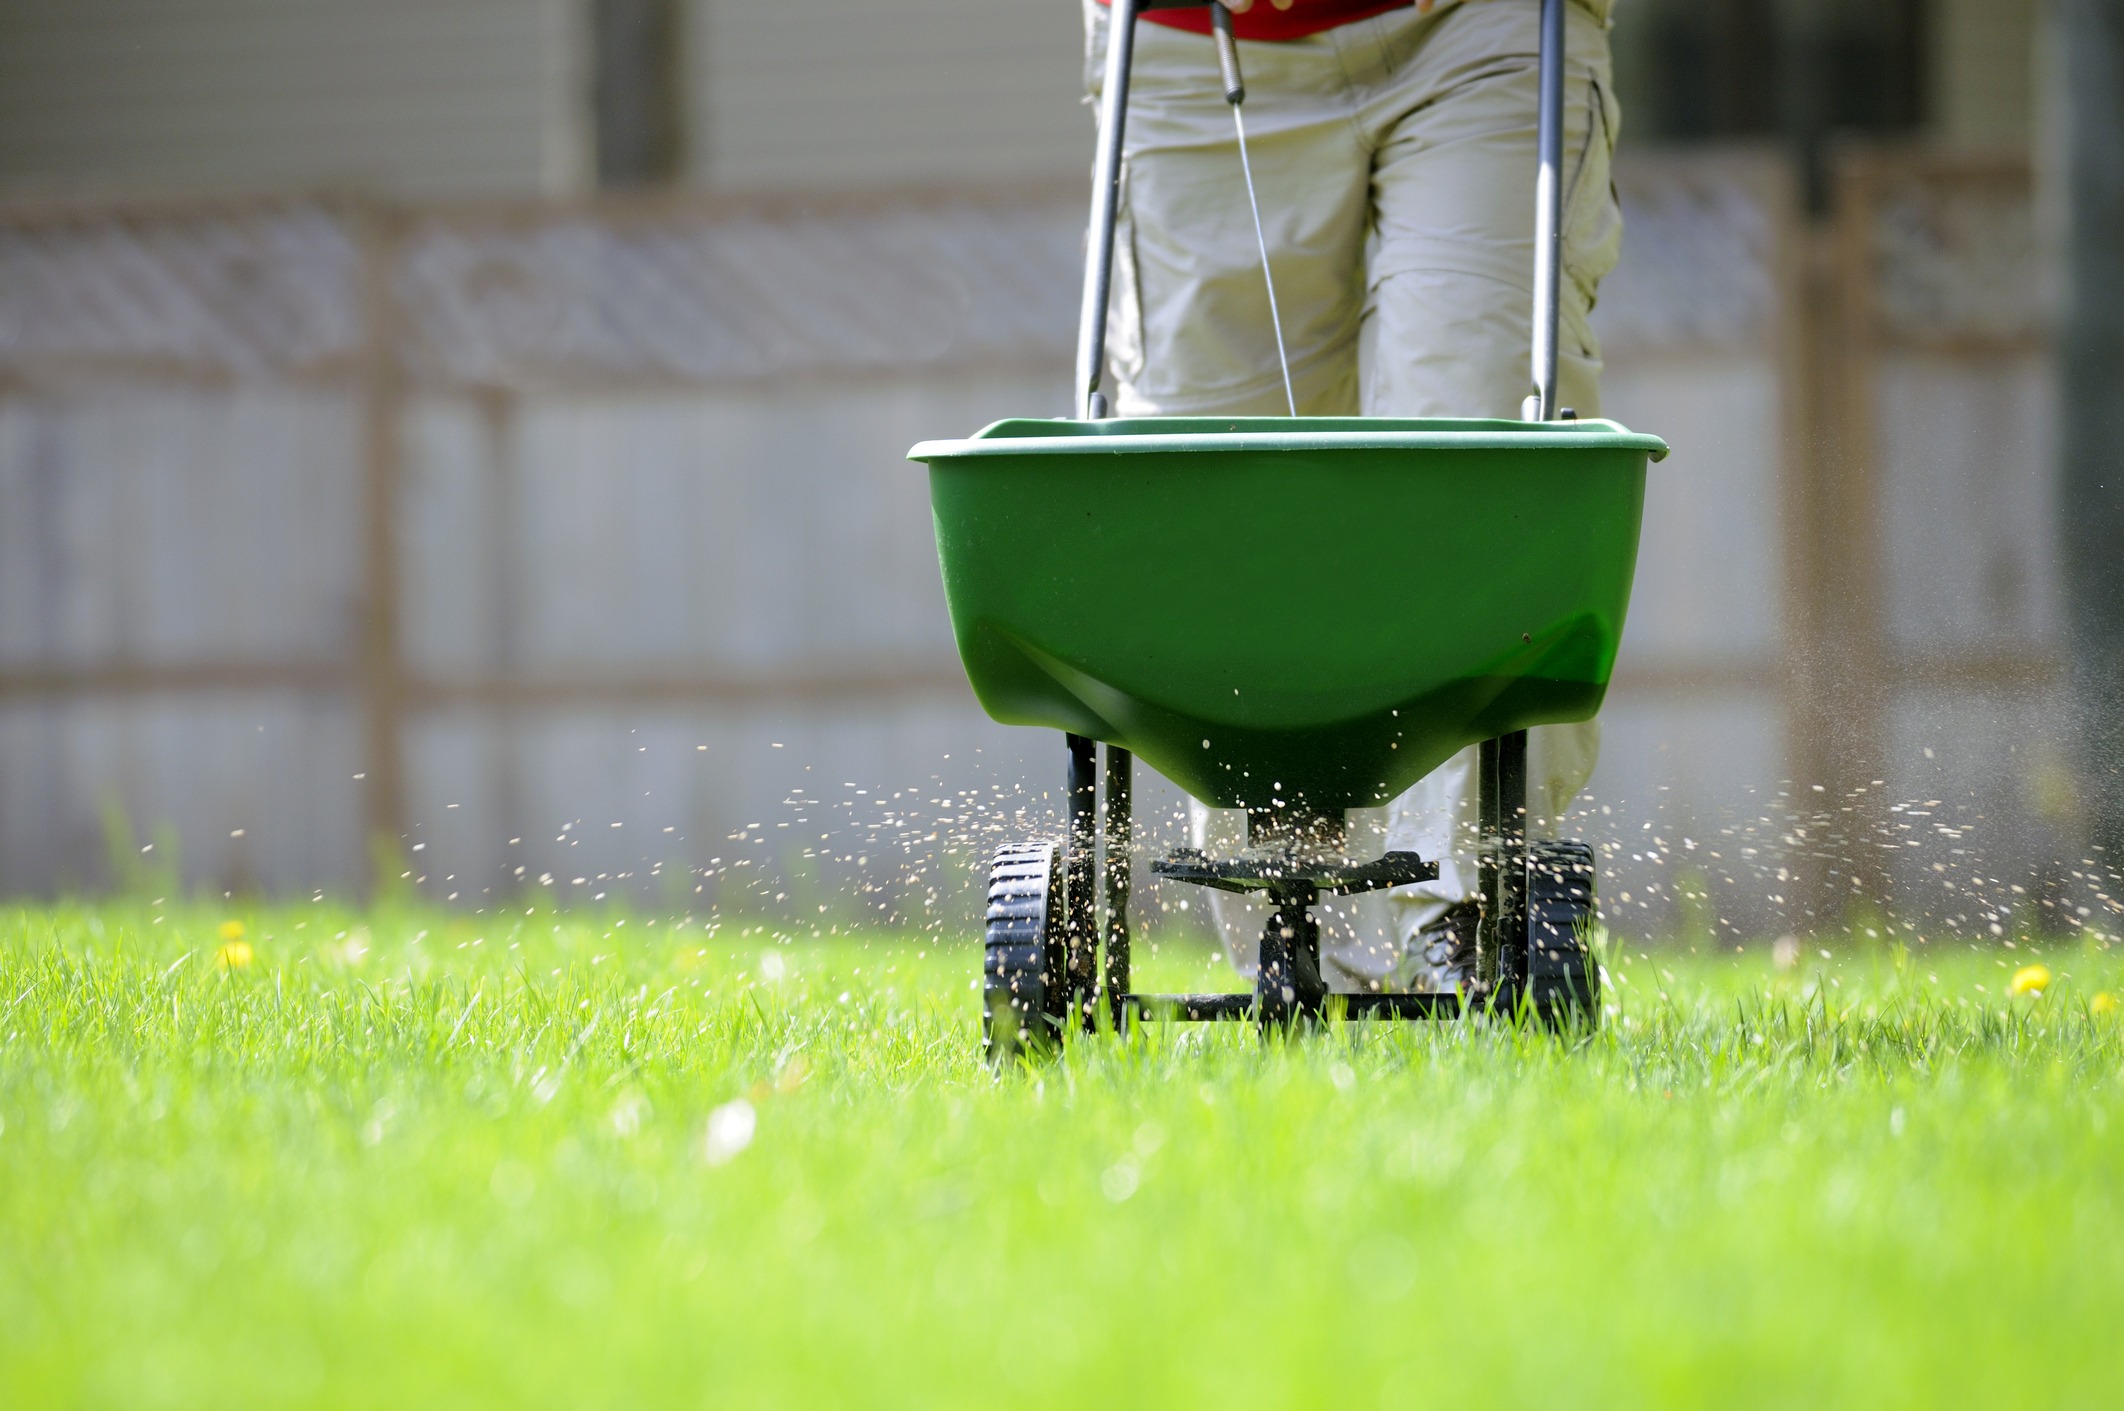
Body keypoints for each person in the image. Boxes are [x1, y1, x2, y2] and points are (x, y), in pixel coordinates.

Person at [1084, 0, 1620, 990]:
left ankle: (1466, 919)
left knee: (1476, 431)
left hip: (1477, 32)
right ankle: (1294, 932)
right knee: (1225, 499)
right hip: (1197, 45)